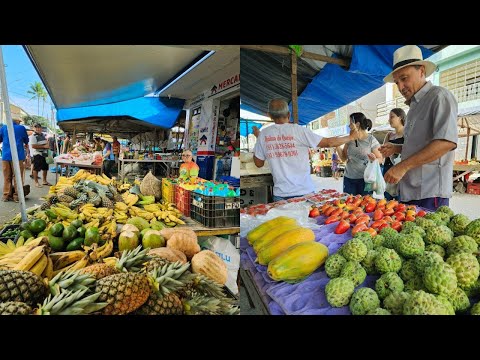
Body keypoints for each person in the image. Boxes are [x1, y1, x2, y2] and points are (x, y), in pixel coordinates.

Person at [379, 45, 458, 211]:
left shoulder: (439, 97)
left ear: (421, 71)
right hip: (409, 191)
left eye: (404, 78)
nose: (400, 87)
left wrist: (402, 166)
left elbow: (446, 142)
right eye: (397, 82)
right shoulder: (414, 107)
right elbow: (419, 145)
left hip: (430, 193)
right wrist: (397, 148)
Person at [253, 98, 359, 201]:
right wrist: (351, 137)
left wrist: (260, 140)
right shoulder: (299, 130)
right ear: (289, 115)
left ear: (270, 116)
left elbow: (258, 163)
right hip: (304, 192)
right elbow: (329, 142)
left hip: (280, 194)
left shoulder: (263, 135)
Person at [335, 113, 383, 195]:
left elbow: (381, 159)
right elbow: (343, 158)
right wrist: (337, 146)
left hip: (365, 179)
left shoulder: (371, 139)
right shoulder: (349, 139)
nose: (349, 126)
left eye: (350, 123)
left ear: (357, 124)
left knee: (364, 205)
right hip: (349, 179)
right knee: (348, 204)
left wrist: (374, 160)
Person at [0, 116, 30, 202]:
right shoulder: (21, 128)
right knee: (18, 177)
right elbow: (26, 140)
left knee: (7, 177)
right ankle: (17, 196)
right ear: (17, 121)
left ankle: (6, 195)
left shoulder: (3, 128)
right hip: (18, 156)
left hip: (6, 155)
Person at [382, 108, 406, 200]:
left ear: (400, 118)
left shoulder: (407, 133)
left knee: (400, 198)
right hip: (388, 168)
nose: (389, 120)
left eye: (392, 117)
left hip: (401, 169)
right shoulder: (389, 135)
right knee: (388, 197)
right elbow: (383, 153)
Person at [30, 123, 51, 188]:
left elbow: (45, 143)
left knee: (45, 168)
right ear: (34, 129)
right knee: (36, 169)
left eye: (39, 127)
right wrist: (44, 146)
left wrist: (47, 144)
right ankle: (36, 182)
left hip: (44, 154)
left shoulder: (43, 135)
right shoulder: (33, 136)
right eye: (36, 127)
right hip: (37, 154)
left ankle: (44, 181)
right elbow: (33, 146)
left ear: (41, 128)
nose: (38, 129)